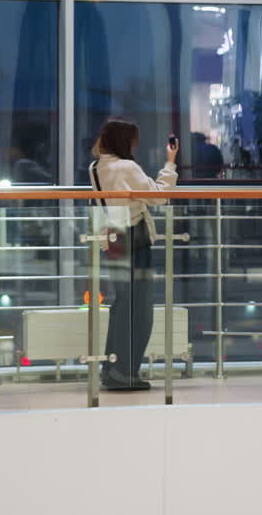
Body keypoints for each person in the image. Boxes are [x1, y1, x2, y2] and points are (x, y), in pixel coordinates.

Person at [89, 119, 178, 391]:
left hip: (113, 237)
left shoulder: (96, 167)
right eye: (133, 141)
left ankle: (112, 369)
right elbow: (160, 196)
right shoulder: (126, 167)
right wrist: (170, 162)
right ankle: (125, 373)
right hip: (133, 239)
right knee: (139, 311)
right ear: (124, 141)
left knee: (122, 307)